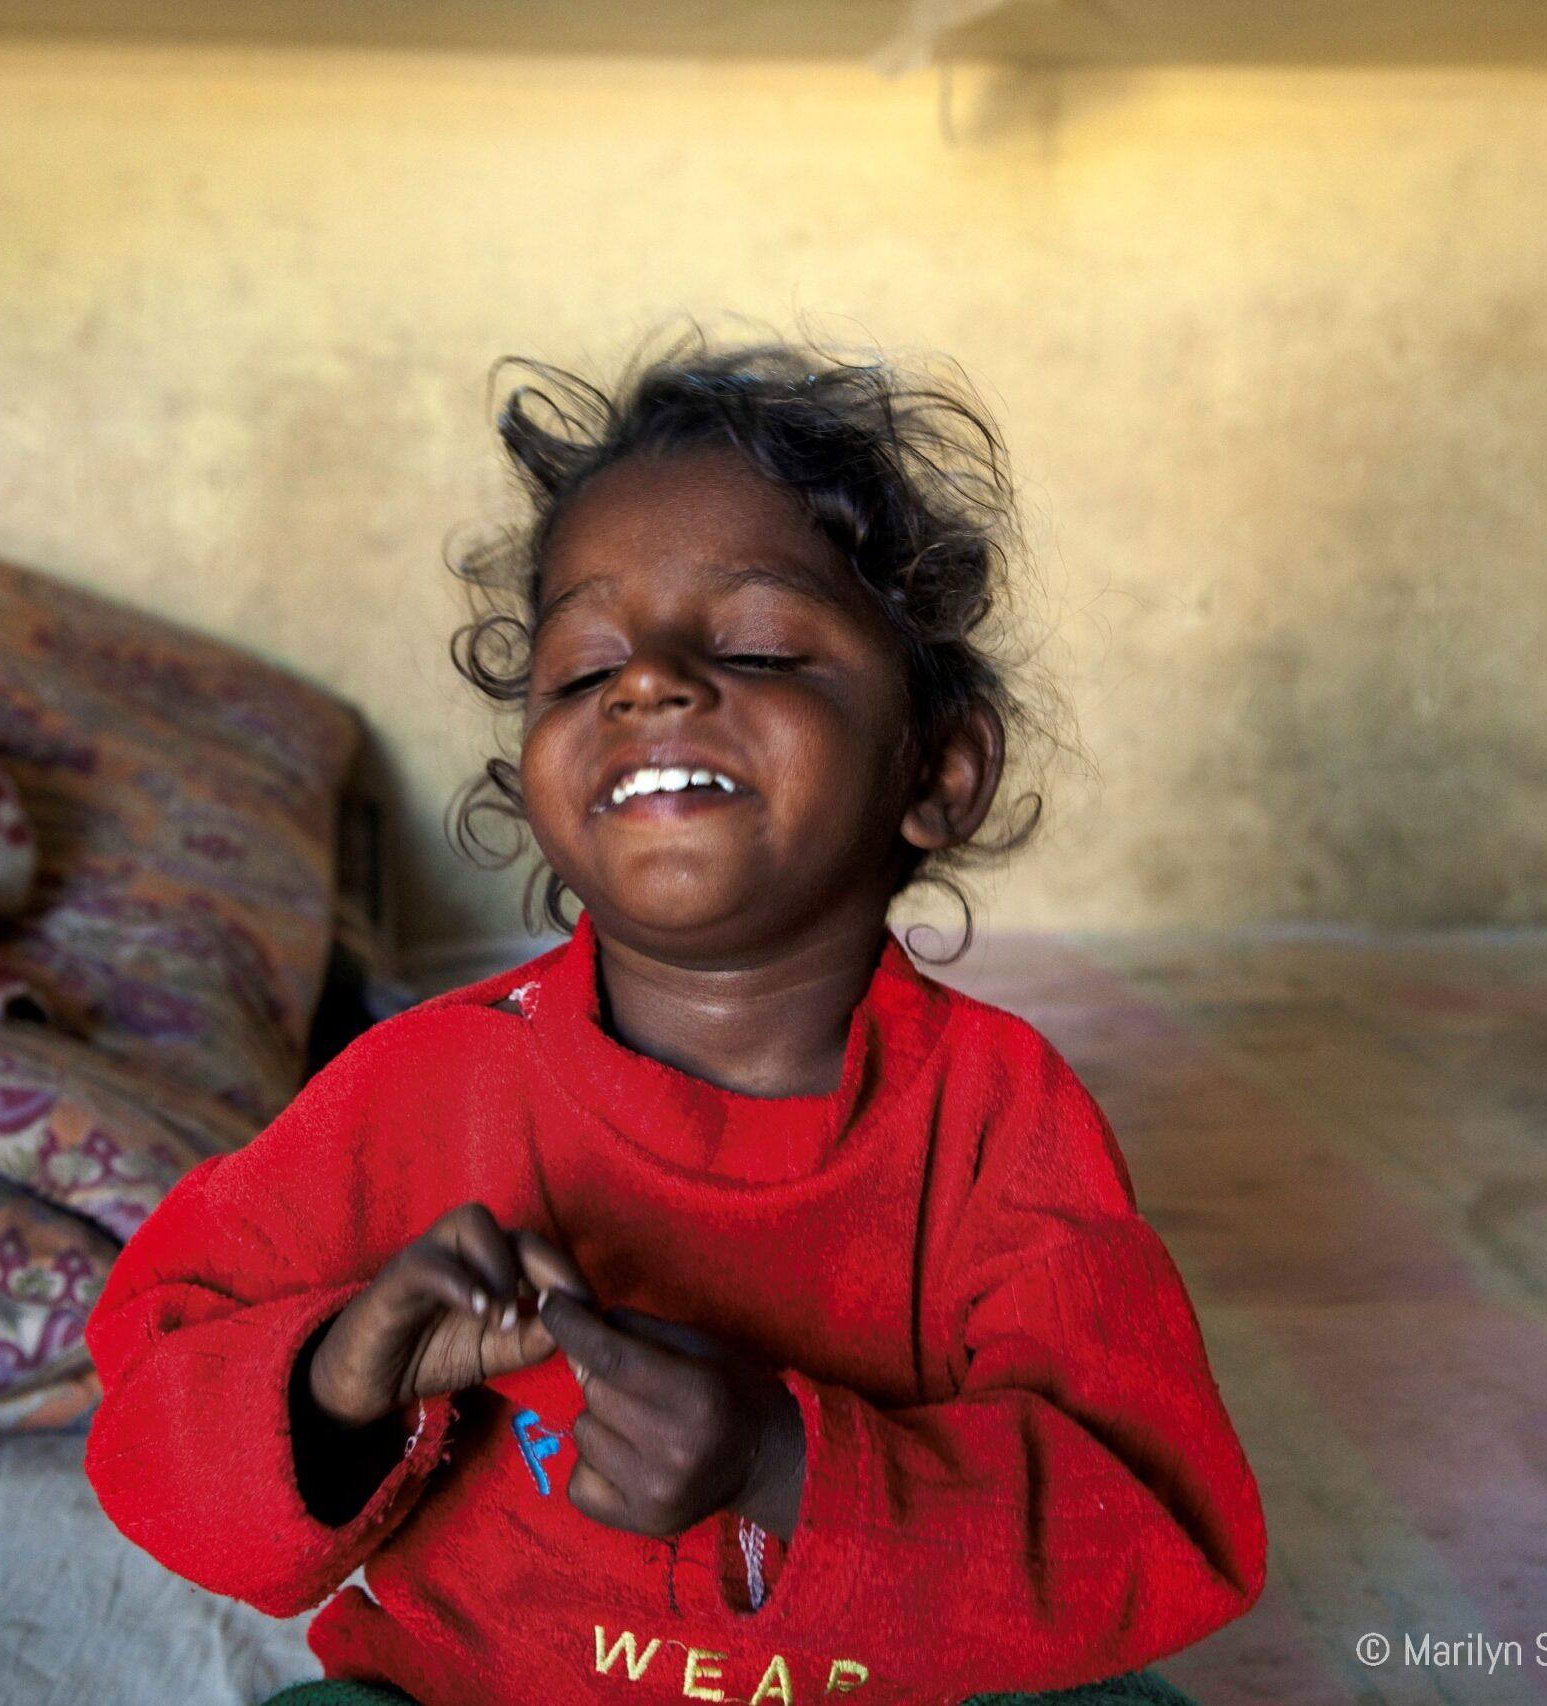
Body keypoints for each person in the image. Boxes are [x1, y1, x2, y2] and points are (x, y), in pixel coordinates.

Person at [85, 337, 1267, 1706]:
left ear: (937, 769)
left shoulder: (999, 1114)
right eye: (583, 672)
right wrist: (341, 1376)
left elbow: (1151, 1520)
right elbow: (152, 1386)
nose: (644, 682)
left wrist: (787, 1461)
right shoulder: (418, 1085)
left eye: (757, 643)